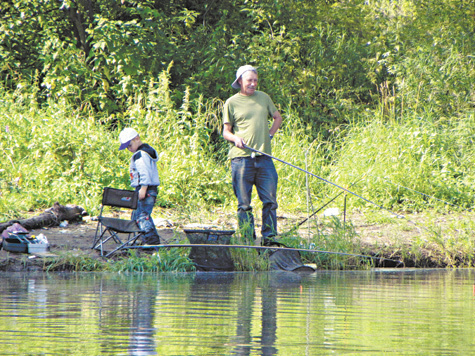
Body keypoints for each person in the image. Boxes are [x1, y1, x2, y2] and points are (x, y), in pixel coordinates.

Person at [222, 65, 283, 245]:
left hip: (264, 158)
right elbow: (226, 132)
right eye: (249, 80)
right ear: (240, 81)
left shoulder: (264, 98)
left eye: (255, 80)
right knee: (244, 204)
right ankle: (248, 240)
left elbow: (277, 117)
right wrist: (235, 139)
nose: (253, 84)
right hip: (241, 159)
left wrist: (270, 134)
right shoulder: (231, 102)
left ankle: (269, 239)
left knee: (270, 200)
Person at [119, 127, 161, 245]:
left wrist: (143, 188)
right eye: (127, 147)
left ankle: (152, 242)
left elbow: (144, 172)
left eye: (129, 145)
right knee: (138, 215)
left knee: (143, 217)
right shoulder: (147, 152)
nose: (129, 149)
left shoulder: (140, 155)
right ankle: (143, 239)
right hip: (147, 188)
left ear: (137, 138)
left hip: (146, 189)